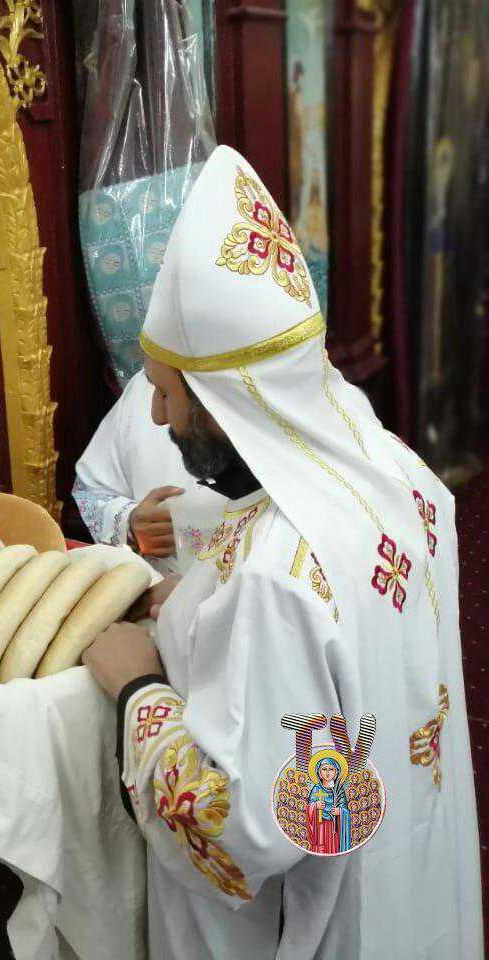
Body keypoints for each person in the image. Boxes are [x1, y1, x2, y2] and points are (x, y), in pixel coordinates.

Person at [80, 146, 480, 957]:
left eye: (167, 392)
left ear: (228, 400)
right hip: (411, 869)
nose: (155, 418)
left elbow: (241, 833)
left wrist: (138, 687)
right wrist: (197, 603)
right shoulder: (402, 476)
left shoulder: (275, 577)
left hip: (322, 922)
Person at [72, 369, 221, 574]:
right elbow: (92, 490)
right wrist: (129, 522)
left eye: (165, 394)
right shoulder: (148, 381)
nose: (157, 416)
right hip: (154, 586)